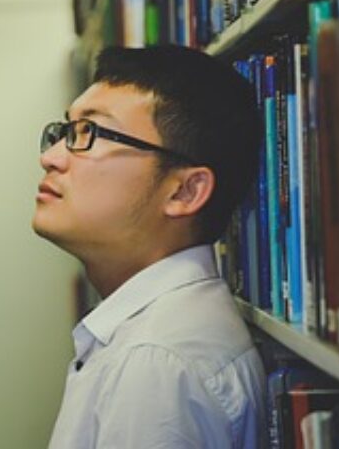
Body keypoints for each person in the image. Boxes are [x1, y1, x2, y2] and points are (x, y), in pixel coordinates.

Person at [33, 45, 267, 448]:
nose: (51, 158)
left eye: (89, 134)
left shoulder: (156, 363)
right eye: (66, 131)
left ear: (184, 191)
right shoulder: (156, 337)